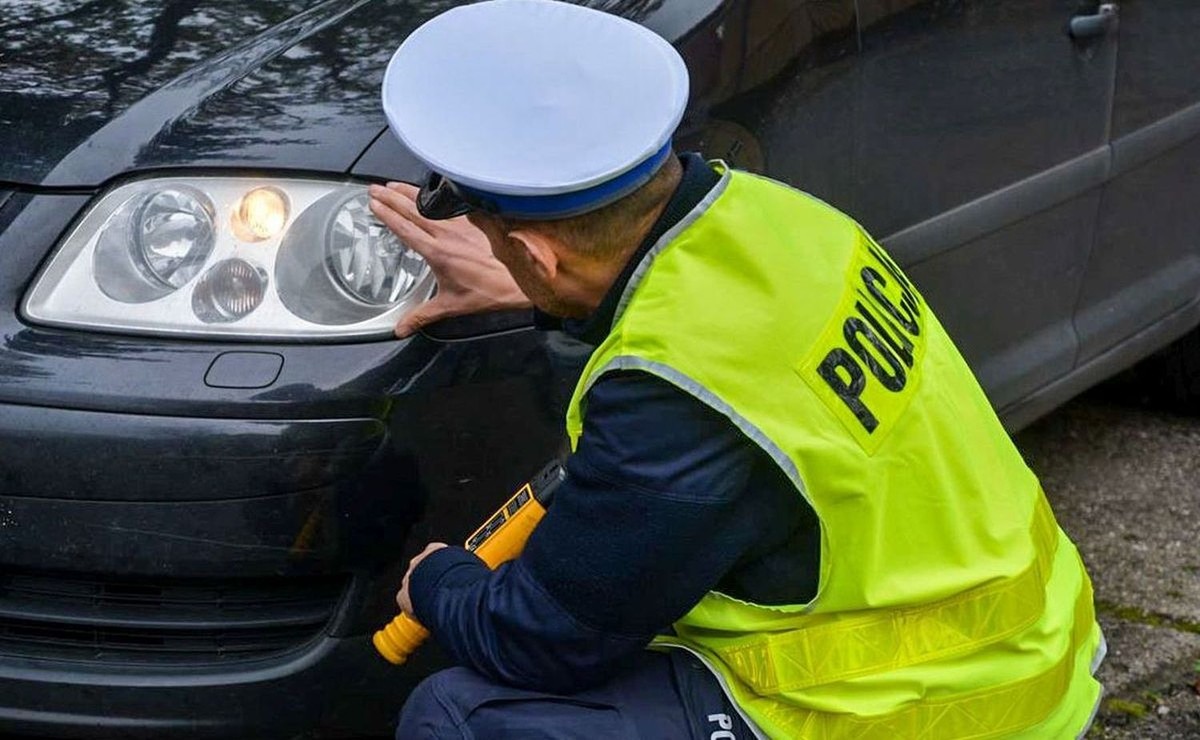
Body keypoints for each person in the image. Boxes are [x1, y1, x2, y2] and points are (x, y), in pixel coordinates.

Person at [367, 1, 1106, 737]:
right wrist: (547, 290)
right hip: (1029, 649)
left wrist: (440, 582)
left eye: (502, 247)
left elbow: (546, 638)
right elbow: (709, 316)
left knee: (459, 715)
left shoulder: (674, 398)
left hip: (920, 711)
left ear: (537, 252)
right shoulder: (780, 218)